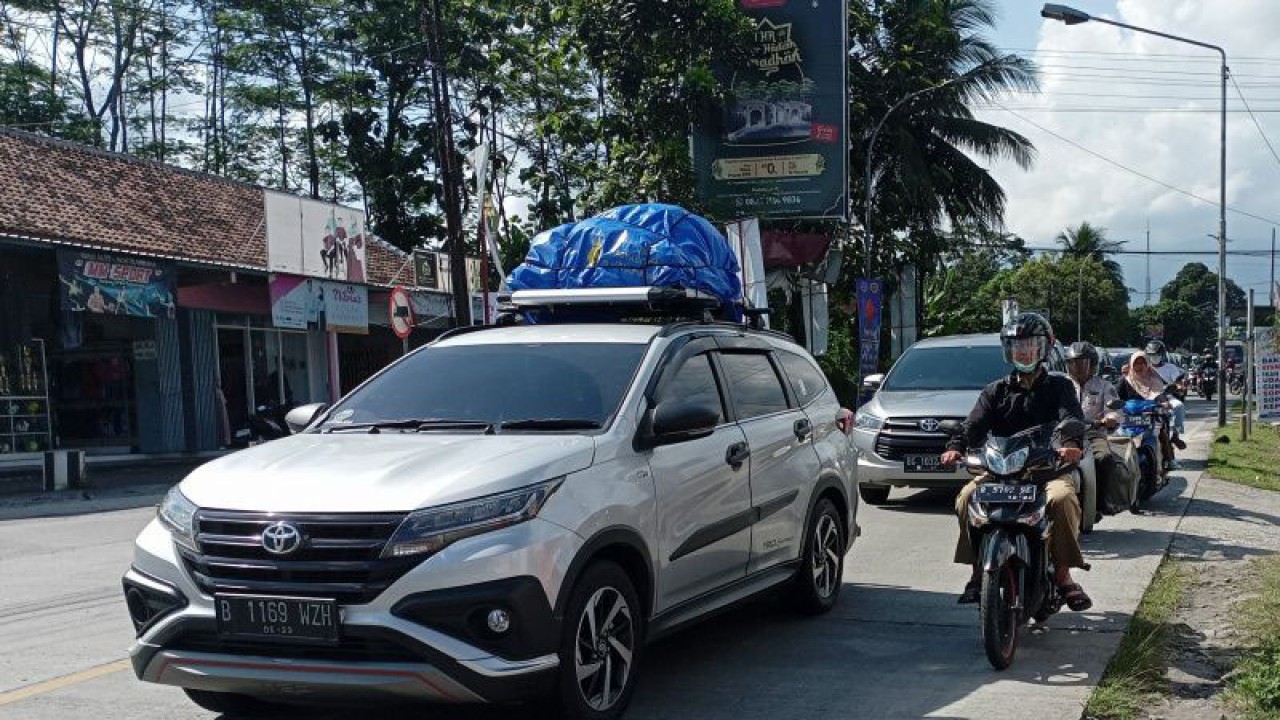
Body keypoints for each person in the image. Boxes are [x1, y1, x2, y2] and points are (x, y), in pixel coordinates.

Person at [940, 312, 1093, 611]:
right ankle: (976, 574)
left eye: (1030, 346)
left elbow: (1072, 418)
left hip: (1046, 469)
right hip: (1000, 472)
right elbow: (974, 426)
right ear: (1008, 350)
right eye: (1017, 346)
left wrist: (1071, 444)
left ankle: (1064, 577)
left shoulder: (1060, 387)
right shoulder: (995, 390)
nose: (1023, 352)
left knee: (1062, 500)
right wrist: (955, 446)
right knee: (966, 498)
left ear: (1044, 349)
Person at [1064, 342, 1134, 515]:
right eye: (1073, 363)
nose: (1077, 368)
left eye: (1082, 363)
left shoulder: (1104, 386)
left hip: (1092, 435)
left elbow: (1116, 412)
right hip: (1062, 435)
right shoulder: (1061, 385)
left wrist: (1109, 419)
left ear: (1093, 365)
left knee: (1104, 458)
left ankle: (1101, 501)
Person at [1118, 350, 1182, 468]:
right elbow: (1116, 398)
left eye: (1142, 363)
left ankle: (1169, 458)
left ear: (1147, 364)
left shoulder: (1154, 379)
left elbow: (1160, 395)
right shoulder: (1124, 381)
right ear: (1132, 365)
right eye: (1136, 363)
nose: (1139, 366)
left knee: (1161, 430)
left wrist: (1165, 403)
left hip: (1151, 416)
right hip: (1129, 419)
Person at [1143, 340, 1186, 448]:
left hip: (1167, 397)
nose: (1154, 357)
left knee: (1179, 406)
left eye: (1157, 354)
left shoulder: (1171, 368)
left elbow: (1179, 384)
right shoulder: (1143, 368)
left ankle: (1175, 435)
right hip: (1147, 398)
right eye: (1152, 355)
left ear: (1162, 355)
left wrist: (1177, 387)